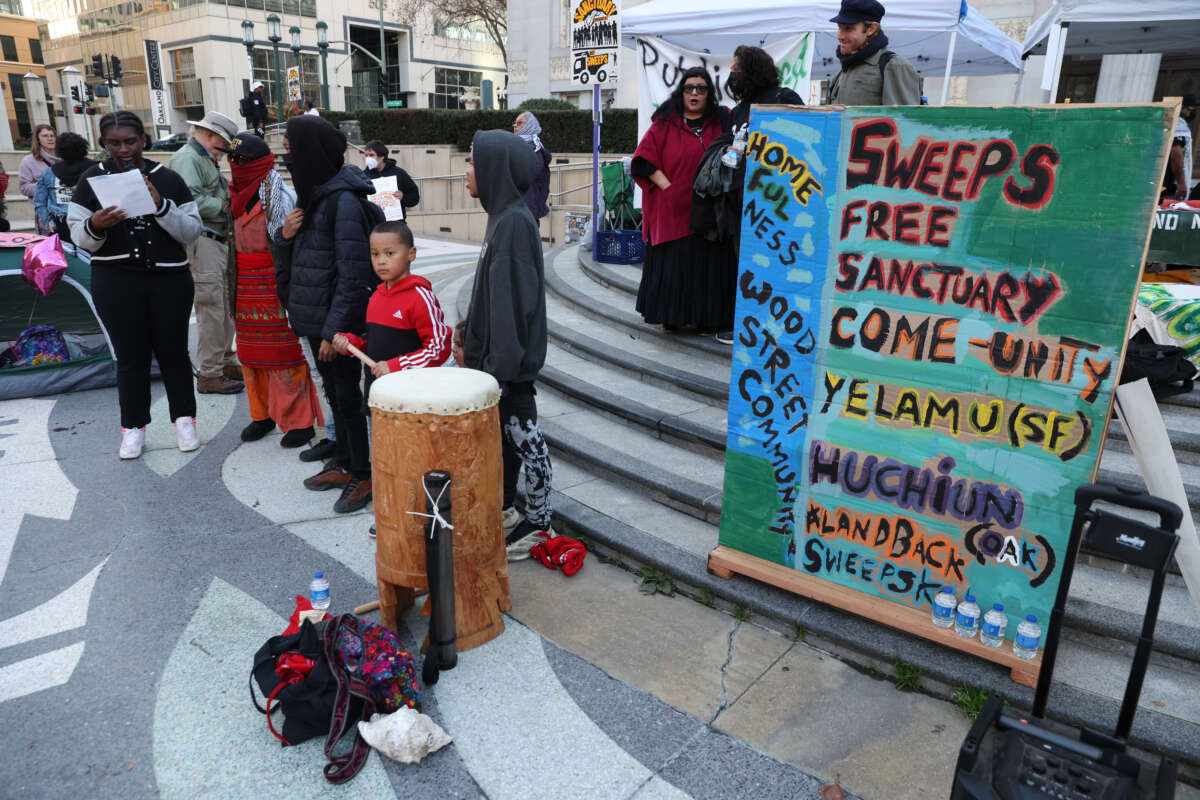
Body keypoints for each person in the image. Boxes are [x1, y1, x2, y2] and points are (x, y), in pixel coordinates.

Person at [67, 111, 203, 460]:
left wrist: (161, 206)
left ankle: (184, 420)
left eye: (130, 141)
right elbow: (78, 235)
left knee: (174, 352)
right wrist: (97, 224)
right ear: (103, 143)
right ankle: (133, 427)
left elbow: (192, 231)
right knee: (130, 357)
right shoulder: (91, 179)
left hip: (170, 279)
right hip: (115, 280)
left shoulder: (168, 178)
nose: (124, 149)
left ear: (144, 140)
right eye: (114, 143)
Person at [276, 115, 380, 514]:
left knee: (348, 400)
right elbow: (303, 260)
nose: (287, 157)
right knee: (337, 397)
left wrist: (333, 330)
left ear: (312, 154)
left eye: (292, 149)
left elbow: (352, 275)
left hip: (335, 328)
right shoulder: (314, 196)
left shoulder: (342, 202)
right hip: (315, 321)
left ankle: (363, 473)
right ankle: (345, 461)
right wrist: (284, 236)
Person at [461, 129, 557, 561]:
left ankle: (539, 523)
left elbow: (513, 305)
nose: (467, 171)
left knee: (527, 441)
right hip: (498, 363)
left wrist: (498, 371)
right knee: (507, 445)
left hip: (508, 368)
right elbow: (491, 293)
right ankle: (506, 511)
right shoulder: (502, 216)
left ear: (494, 170)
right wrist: (469, 332)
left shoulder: (515, 223)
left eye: (472, 162)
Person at [332, 219, 451, 531]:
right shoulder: (376, 297)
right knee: (386, 461)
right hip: (378, 400)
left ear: (411, 254)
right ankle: (391, 516)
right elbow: (373, 345)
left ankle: (416, 518)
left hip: (411, 404)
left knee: (412, 461)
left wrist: (397, 366)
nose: (381, 261)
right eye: (375, 254)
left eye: (389, 253)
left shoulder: (420, 296)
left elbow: (439, 347)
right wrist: (351, 344)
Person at [224, 131, 325, 447]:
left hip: (275, 283)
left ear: (259, 163)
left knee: (285, 355)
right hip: (243, 284)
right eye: (232, 158)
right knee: (251, 356)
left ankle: (299, 421)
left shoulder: (281, 195)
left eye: (242, 160)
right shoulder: (234, 195)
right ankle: (262, 414)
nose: (235, 164)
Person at [708, 46, 805, 345]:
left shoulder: (784, 99)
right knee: (747, 267)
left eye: (737, 68)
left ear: (753, 69)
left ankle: (776, 329)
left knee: (775, 268)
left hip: (778, 206)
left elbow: (803, 146)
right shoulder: (738, 111)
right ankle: (747, 327)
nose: (732, 74)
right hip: (742, 205)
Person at [632, 67, 734, 334]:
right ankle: (673, 319)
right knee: (675, 265)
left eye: (701, 88)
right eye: (689, 88)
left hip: (709, 210)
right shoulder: (665, 123)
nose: (694, 93)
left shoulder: (721, 122)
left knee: (707, 266)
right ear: (681, 92)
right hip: (672, 210)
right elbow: (642, 161)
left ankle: (706, 320)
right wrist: (668, 188)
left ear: (709, 93)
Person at [169, 111, 243, 395]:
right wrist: (225, 206)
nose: (224, 152)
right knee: (212, 306)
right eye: (223, 145)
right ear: (210, 136)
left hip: (213, 238)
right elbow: (190, 201)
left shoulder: (199, 157)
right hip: (204, 239)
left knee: (222, 304)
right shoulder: (189, 158)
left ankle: (224, 362)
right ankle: (211, 372)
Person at [827, 0, 921, 106]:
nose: (840, 36)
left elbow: (905, 116)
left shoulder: (895, 66)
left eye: (848, 28)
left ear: (871, 29)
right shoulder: (845, 69)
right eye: (839, 28)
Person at [34, 132, 97, 244]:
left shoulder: (49, 172)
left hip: (61, 225)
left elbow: (39, 202)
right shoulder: (96, 168)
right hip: (91, 222)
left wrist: (49, 223)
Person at [19, 124, 61, 235]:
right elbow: (24, 188)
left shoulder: (65, 158)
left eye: (52, 135)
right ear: (37, 139)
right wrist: (46, 186)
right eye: (45, 136)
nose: (50, 138)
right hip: (45, 212)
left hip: (66, 209)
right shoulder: (28, 161)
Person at [361, 141, 420, 217]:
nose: (368, 158)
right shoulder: (363, 176)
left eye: (371, 155)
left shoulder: (399, 173)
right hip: (373, 222)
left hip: (395, 221)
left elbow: (414, 198)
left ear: (382, 156)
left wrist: (403, 197)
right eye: (366, 155)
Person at [512, 111, 552, 220]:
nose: (515, 126)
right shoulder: (519, 146)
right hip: (520, 208)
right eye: (515, 123)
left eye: (520, 123)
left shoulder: (533, 150)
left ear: (530, 126)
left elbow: (529, 175)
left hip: (526, 210)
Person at [1164, 94, 1197, 201]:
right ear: (1183, 107)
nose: (1193, 112)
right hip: (1171, 185)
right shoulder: (1178, 124)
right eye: (1192, 108)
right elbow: (1176, 152)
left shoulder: (1168, 121)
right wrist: (1181, 183)